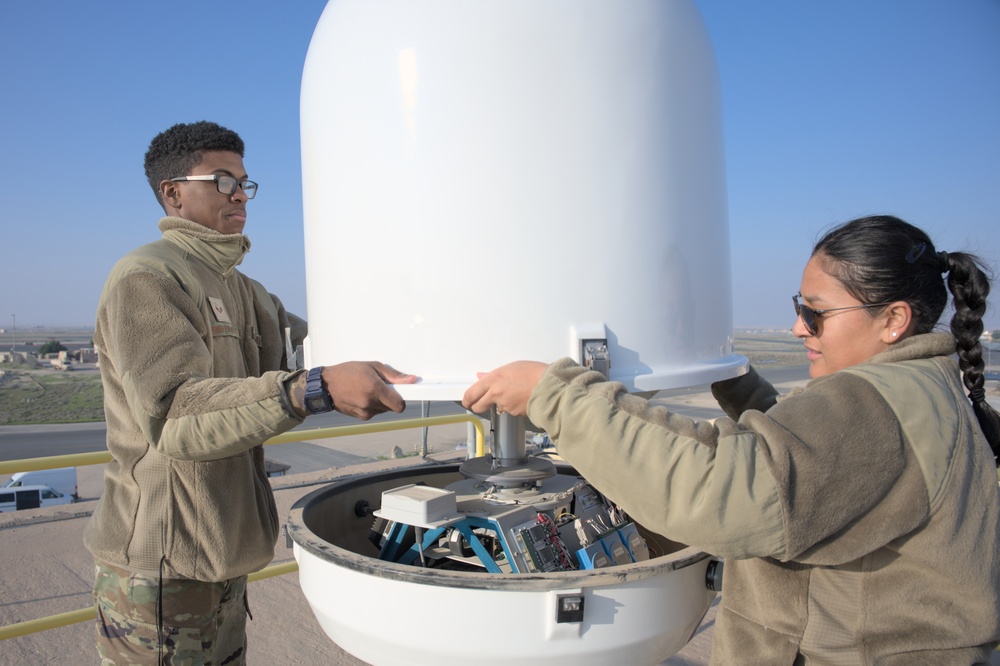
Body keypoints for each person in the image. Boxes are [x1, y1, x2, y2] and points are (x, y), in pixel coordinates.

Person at [463, 214, 1000, 664]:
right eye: (798, 307)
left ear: (894, 320)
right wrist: (739, 384)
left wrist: (555, 396)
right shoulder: (922, 389)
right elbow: (821, 471)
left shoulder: (876, 403)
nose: (798, 328)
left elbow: (720, 494)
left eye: (816, 313)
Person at [85, 120, 416, 665]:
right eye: (221, 180)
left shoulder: (244, 290)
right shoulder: (148, 277)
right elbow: (175, 417)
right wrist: (311, 390)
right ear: (173, 192)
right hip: (160, 570)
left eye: (243, 181)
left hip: (222, 556)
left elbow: (315, 351)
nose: (239, 193)